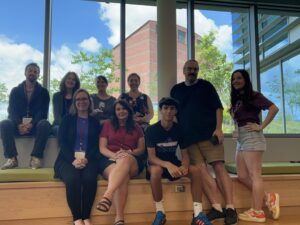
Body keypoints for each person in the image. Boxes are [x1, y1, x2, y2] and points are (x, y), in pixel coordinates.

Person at [170, 59, 237, 225]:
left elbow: (218, 108)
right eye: (189, 69)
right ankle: (217, 208)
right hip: (189, 139)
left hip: (209, 135)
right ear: (183, 70)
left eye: (195, 69)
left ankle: (230, 207)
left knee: (219, 167)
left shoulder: (206, 86)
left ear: (198, 71)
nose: (192, 71)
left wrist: (219, 129)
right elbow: (174, 113)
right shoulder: (176, 90)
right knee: (200, 171)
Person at [145, 97, 212, 225]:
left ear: (176, 111)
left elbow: (185, 154)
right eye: (165, 108)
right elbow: (151, 158)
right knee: (156, 172)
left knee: (196, 171)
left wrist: (185, 165)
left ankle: (198, 214)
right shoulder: (151, 130)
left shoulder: (180, 129)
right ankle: (160, 213)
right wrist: (168, 165)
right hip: (157, 164)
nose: (169, 111)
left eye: (172, 108)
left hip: (173, 163)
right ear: (160, 110)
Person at [229, 69, 279, 223]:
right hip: (241, 138)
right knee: (242, 176)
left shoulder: (253, 95)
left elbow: (274, 108)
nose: (235, 81)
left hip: (252, 136)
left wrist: (261, 126)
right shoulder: (237, 99)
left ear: (246, 80)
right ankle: (268, 197)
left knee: (255, 175)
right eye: (233, 79)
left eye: (239, 78)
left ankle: (257, 212)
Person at [54, 89, 101, 225]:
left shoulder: (94, 122)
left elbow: (96, 145)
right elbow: (62, 143)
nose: (81, 102)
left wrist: (86, 159)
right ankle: (77, 219)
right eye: (78, 99)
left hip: (89, 159)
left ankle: (86, 217)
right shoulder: (67, 119)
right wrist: (73, 160)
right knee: (73, 179)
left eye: (84, 99)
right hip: (66, 159)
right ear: (74, 102)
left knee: (90, 178)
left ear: (89, 101)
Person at [96, 99, 145, 225]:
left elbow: (141, 149)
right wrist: (115, 156)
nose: (121, 111)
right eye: (118, 109)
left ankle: (107, 195)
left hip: (132, 160)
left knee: (125, 159)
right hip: (109, 159)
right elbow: (102, 148)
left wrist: (129, 152)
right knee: (122, 176)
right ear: (114, 112)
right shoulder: (107, 125)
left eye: (124, 109)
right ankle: (119, 219)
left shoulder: (137, 127)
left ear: (128, 111)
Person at [0, 62, 51, 170]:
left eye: (35, 71)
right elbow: (12, 111)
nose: (32, 73)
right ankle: (12, 158)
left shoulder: (43, 92)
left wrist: (31, 124)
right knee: (5, 123)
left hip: (35, 126)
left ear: (38, 75)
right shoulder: (15, 91)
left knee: (45, 124)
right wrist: (19, 124)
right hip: (18, 126)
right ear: (25, 72)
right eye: (30, 70)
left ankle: (35, 158)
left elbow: (43, 113)